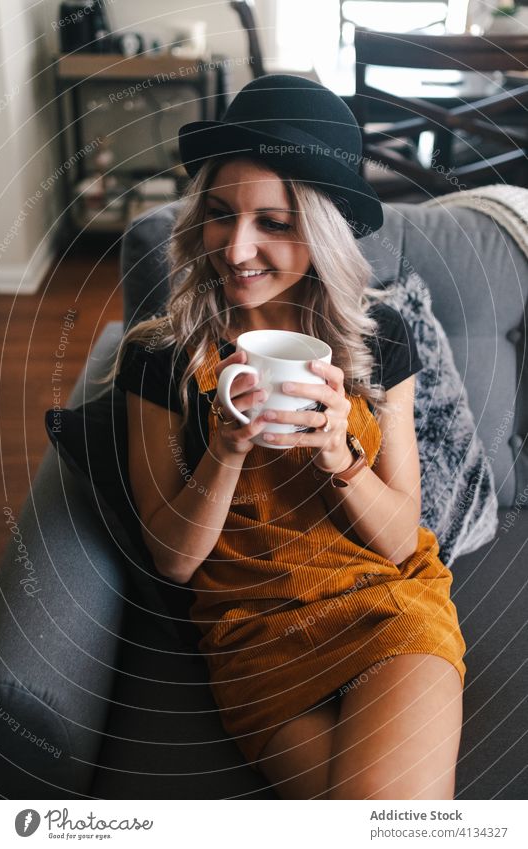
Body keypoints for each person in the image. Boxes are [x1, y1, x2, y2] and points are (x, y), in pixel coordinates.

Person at [114, 74, 466, 800]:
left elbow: (403, 539)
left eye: (273, 223)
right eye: (219, 214)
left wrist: (341, 457)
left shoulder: (377, 343)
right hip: (254, 637)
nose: (236, 247)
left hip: (384, 606)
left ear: (322, 230)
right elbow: (174, 560)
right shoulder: (159, 358)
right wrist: (226, 448)